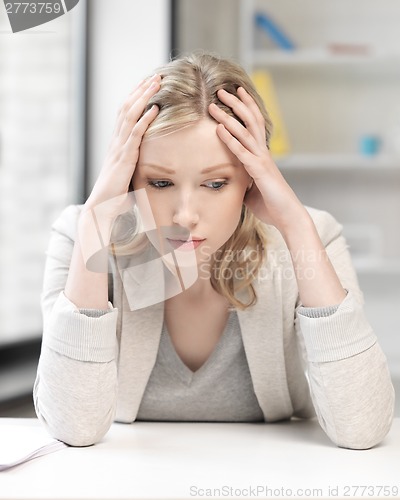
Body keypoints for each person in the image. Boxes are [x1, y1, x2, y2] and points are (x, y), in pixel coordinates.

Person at [34, 52, 394, 449]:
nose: (185, 216)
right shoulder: (81, 235)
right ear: (130, 174)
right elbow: (73, 426)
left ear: (252, 180)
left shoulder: (311, 237)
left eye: (216, 183)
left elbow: (362, 428)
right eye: (159, 183)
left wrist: (296, 225)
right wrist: (95, 222)